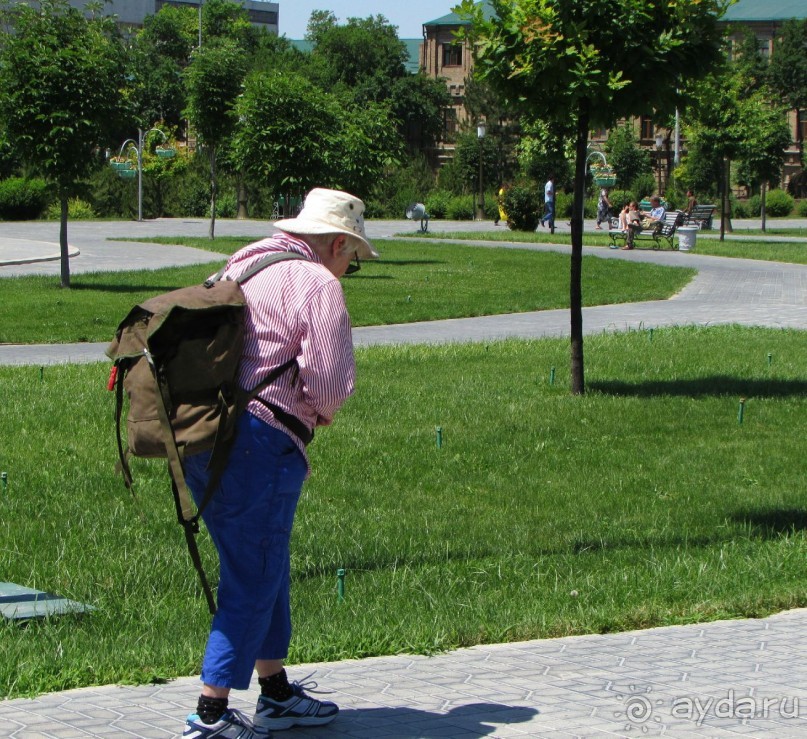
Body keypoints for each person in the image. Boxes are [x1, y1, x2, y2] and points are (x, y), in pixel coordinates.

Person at [181, 187, 378, 739]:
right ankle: (210, 715)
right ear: (337, 242)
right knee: (253, 574)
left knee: (262, 563)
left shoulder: (248, 260)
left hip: (206, 436)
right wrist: (319, 414)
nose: (348, 269)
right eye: (352, 259)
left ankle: (275, 694)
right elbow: (333, 384)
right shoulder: (317, 281)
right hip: (260, 444)